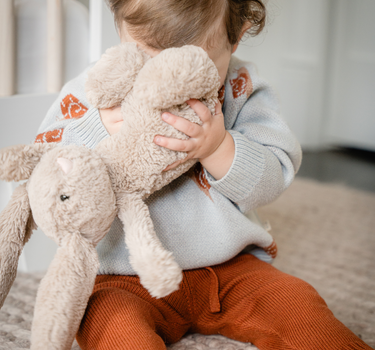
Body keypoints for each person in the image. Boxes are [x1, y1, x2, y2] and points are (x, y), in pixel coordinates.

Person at [35, 1, 372, 349]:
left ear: (235, 38)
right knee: (107, 321)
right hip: (125, 276)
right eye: (148, 59)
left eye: (197, 65)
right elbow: (43, 170)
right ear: (119, 28)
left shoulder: (242, 87)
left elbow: (274, 175)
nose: (171, 85)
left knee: (299, 304)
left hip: (230, 268)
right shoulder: (96, 90)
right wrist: (99, 128)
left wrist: (220, 148)